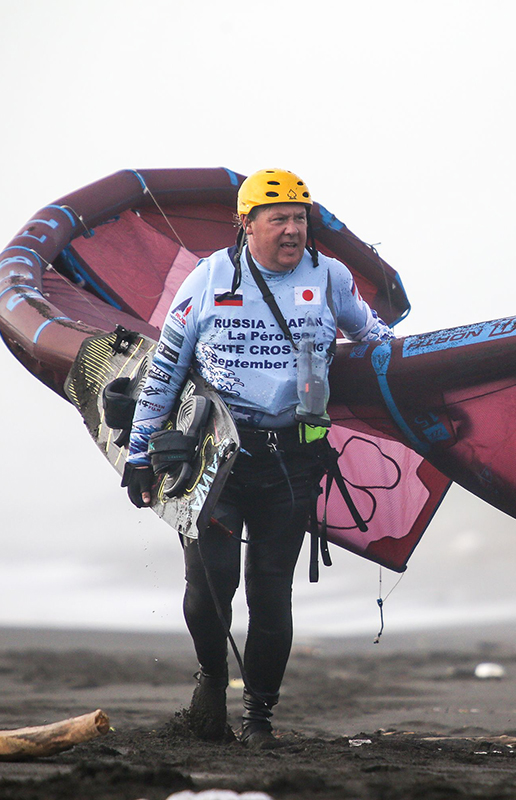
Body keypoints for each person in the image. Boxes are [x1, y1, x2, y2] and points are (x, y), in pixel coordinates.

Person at [121, 169, 394, 747]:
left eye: (300, 218)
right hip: (216, 459)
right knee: (211, 582)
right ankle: (214, 680)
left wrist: (442, 374)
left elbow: (377, 342)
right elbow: (165, 369)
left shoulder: (329, 278)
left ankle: (260, 716)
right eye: (280, 218)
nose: (293, 229)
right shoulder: (211, 277)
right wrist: (140, 452)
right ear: (246, 224)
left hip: (292, 460)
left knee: (271, 589)